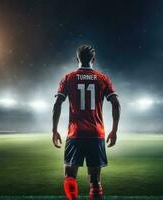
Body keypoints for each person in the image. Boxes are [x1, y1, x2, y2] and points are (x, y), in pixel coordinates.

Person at [52, 44, 120, 200]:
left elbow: (57, 104)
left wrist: (54, 130)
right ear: (94, 59)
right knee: (95, 181)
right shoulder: (103, 78)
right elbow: (116, 104)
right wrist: (114, 131)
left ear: (77, 58)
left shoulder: (68, 78)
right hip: (96, 134)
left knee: (70, 176)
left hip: (75, 134)